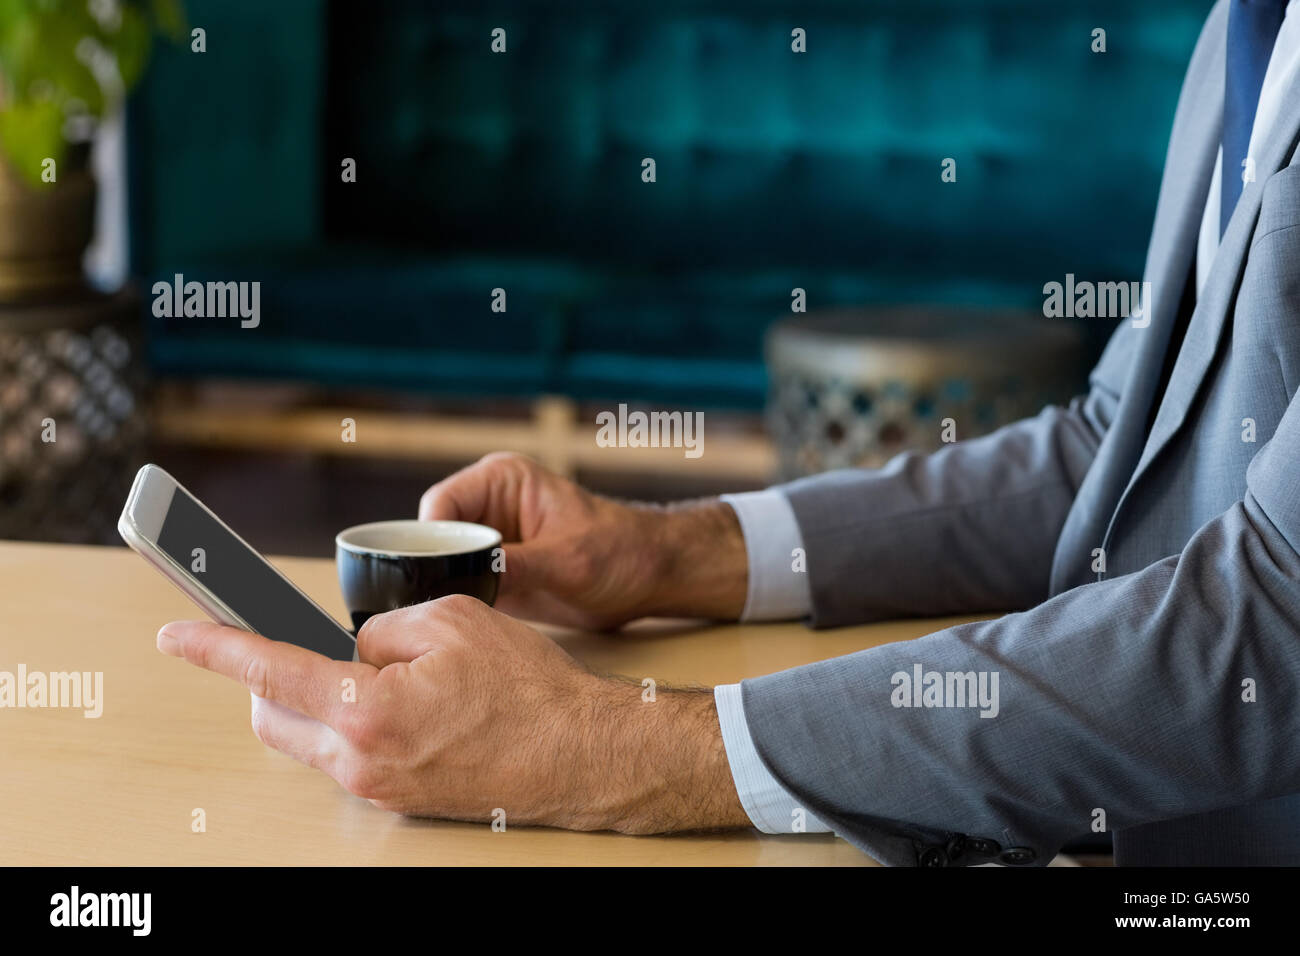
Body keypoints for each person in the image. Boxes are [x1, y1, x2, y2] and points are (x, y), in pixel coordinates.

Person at [157, 0, 1300, 865]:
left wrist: (612, 743)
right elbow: (1112, 441)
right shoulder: (1242, 33)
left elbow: (1269, 628)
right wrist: (669, 549)